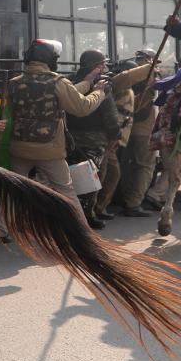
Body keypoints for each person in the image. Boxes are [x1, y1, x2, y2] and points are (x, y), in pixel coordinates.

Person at [6, 39, 106, 202]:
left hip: (20, 146)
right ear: (50, 59)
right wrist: (99, 92)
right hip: (49, 149)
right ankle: (77, 227)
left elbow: (13, 109)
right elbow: (81, 107)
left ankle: (2, 228)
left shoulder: (14, 83)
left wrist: (87, 83)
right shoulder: (57, 81)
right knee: (65, 190)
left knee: (15, 191)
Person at [66, 50, 121, 229]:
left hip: (69, 139)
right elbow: (110, 114)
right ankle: (87, 217)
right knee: (93, 179)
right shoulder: (102, 84)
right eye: (102, 64)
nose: (105, 67)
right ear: (96, 66)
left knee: (70, 178)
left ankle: (73, 214)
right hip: (95, 141)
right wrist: (115, 136)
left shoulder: (69, 81)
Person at [93, 59, 153, 220]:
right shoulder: (116, 85)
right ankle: (93, 209)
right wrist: (149, 67)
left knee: (111, 174)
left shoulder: (127, 91)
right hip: (108, 138)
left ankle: (98, 208)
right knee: (106, 174)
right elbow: (127, 77)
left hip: (114, 139)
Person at [119, 50, 160, 217]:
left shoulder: (128, 75)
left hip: (127, 129)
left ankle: (125, 198)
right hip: (144, 130)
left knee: (128, 166)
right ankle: (133, 203)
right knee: (145, 166)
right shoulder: (149, 76)